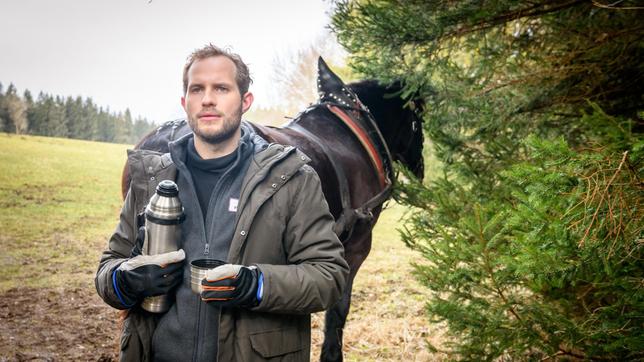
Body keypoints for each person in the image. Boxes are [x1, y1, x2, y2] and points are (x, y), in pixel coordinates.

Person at [95, 44, 349, 361]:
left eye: (222, 88)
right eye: (197, 88)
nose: (208, 99)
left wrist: (255, 284)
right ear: (184, 102)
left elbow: (329, 276)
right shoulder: (152, 179)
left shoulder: (292, 181)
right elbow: (108, 269)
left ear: (245, 102)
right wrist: (125, 281)